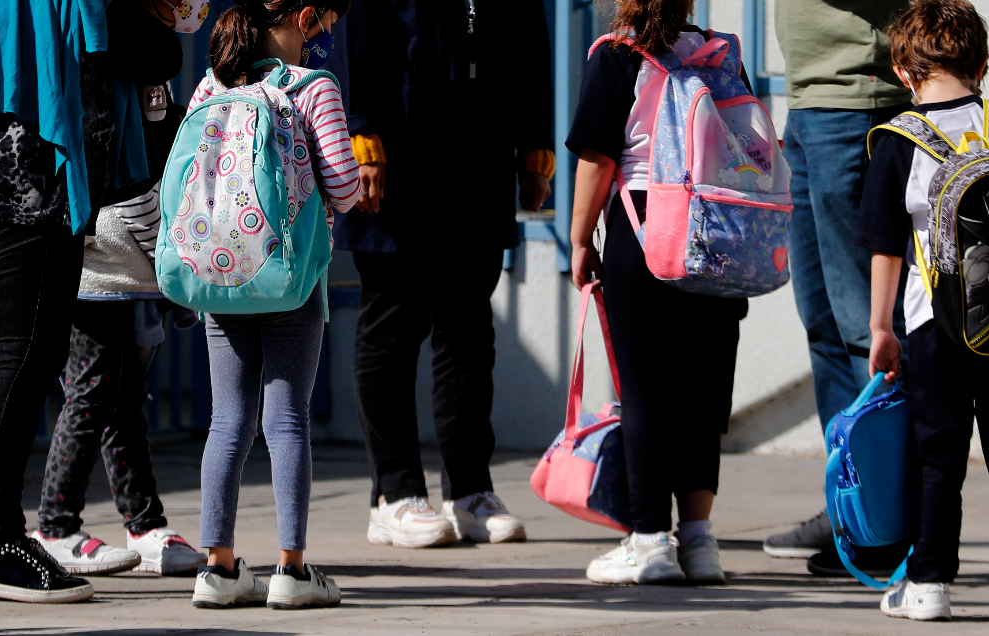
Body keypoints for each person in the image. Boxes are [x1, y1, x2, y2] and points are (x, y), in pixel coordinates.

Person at [859, 0, 989, 621]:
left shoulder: (896, 140)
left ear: (901, 69)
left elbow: (886, 244)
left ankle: (929, 585)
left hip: (934, 322)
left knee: (937, 453)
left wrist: (881, 328)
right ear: (983, 62)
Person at [336, 0, 553, 548]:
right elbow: (361, 39)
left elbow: (530, 46)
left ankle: (471, 492)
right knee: (393, 323)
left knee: (469, 333)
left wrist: (535, 148)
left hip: (479, 151)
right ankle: (395, 492)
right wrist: (364, 136)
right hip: (400, 148)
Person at [567, 0, 757, 585]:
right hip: (718, 228)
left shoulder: (616, 56)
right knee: (702, 389)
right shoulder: (719, 52)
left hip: (647, 228)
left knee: (645, 389)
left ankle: (649, 540)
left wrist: (579, 238)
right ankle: (699, 541)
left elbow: (598, 161)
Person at [185, 0, 359, 609]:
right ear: (305, 16)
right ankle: (290, 570)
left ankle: (219, 568)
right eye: (330, 19)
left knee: (226, 418)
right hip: (290, 275)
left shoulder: (209, 85)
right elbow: (342, 184)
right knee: (285, 419)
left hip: (221, 272)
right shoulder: (313, 89)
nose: (331, 32)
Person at [31, 0, 208, 578]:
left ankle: (144, 522)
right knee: (91, 390)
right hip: (98, 246)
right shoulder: (104, 30)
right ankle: (56, 524)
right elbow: (149, 57)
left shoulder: (149, 51)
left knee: (124, 396)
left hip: (136, 247)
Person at [0, 0, 149, 604]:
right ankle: (1, 536)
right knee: (25, 347)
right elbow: (138, 44)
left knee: (30, 349)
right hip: (29, 147)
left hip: (32, 139)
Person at [764, 0, 914, 577]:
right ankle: (851, 504)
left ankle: (892, 522)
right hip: (811, 104)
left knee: (867, 330)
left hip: (858, 100)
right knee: (825, 325)